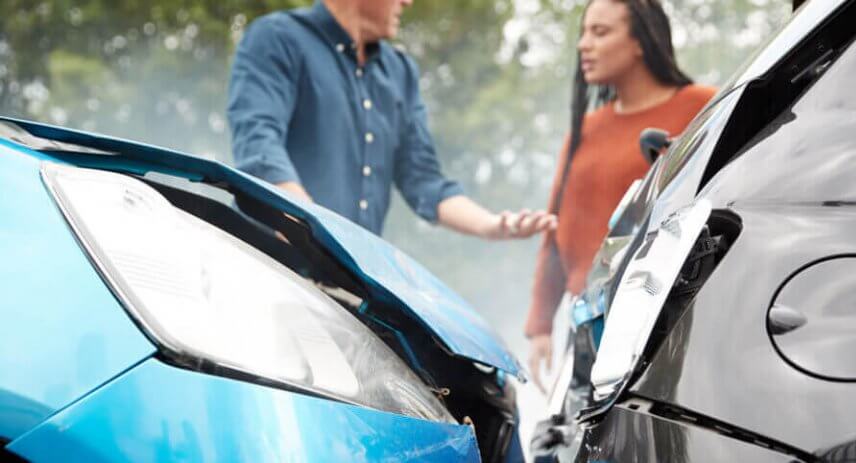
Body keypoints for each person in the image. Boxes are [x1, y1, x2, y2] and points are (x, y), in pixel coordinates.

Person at [227, 0, 555, 239]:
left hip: (348, 290)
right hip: (269, 270)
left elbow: (423, 180)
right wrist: (308, 229)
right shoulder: (277, 38)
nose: (408, 2)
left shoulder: (400, 72)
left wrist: (492, 225)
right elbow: (259, 146)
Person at [525, 0, 716, 390]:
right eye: (583, 32)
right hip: (587, 330)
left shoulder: (703, 107)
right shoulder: (584, 131)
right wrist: (541, 325)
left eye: (600, 32)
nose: (583, 45)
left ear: (640, 42)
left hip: (666, 326)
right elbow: (556, 233)